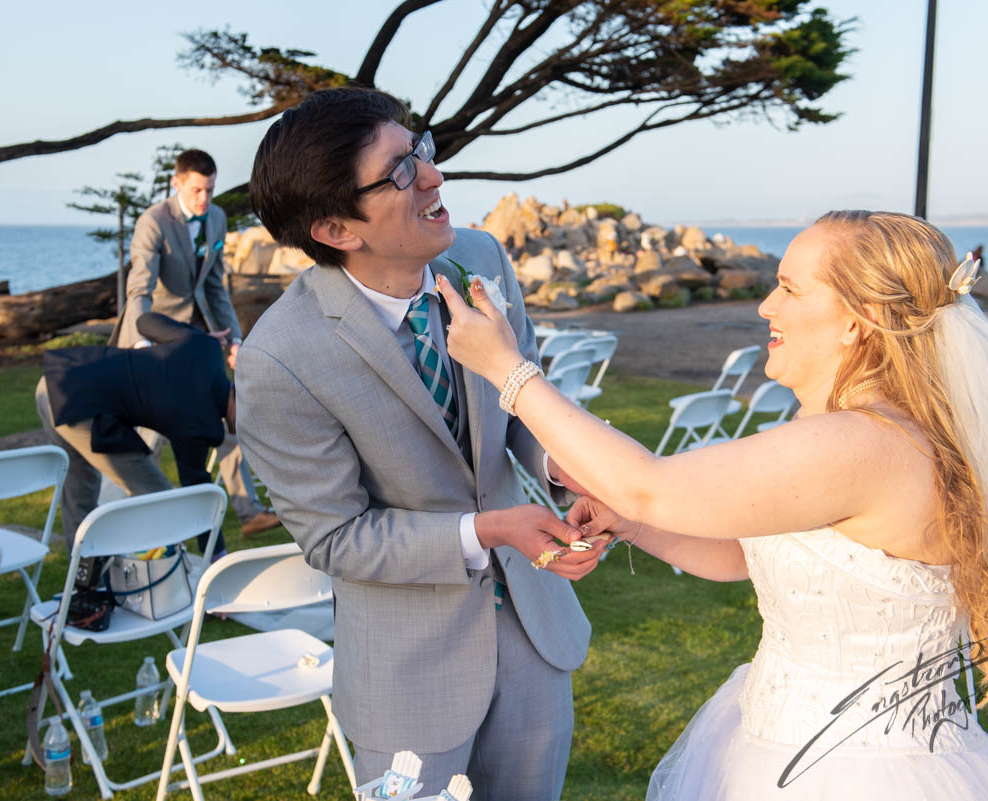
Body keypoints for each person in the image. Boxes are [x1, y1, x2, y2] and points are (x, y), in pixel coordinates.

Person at [441, 210, 988, 800]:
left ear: (857, 320)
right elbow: (746, 552)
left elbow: (649, 482)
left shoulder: (861, 444)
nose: (765, 306)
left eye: (789, 288)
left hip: (859, 773)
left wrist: (509, 371)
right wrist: (634, 524)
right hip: (778, 741)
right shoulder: (869, 431)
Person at [235, 87, 597, 799]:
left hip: (535, 630)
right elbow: (335, 537)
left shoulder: (481, 256)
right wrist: (489, 530)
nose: (434, 176)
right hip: (409, 674)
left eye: (419, 149)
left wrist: (570, 470)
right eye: (401, 171)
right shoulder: (279, 358)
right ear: (336, 229)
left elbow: (522, 404)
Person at [110, 147, 278, 536]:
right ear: (177, 183)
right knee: (149, 434)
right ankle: (132, 516)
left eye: (210, 190)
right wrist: (142, 343)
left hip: (202, 339)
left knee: (228, 416)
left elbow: (215, 287)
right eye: (197, 190)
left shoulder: (215, 219)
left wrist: (235, 338)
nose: (204, 199)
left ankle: (248, 511)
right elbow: (139, 289)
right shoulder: (153, 222)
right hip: (156, 337)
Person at [37, 312, 231, 564]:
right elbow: (196, 490)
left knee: (80, 495)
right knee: (159, 497)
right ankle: (148, 577)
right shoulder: (199, 421)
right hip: (82, 406)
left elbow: (144, 321)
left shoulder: (206, 348)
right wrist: (217, 554)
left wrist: (194, 335)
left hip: (55, 379)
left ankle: (85, 580)